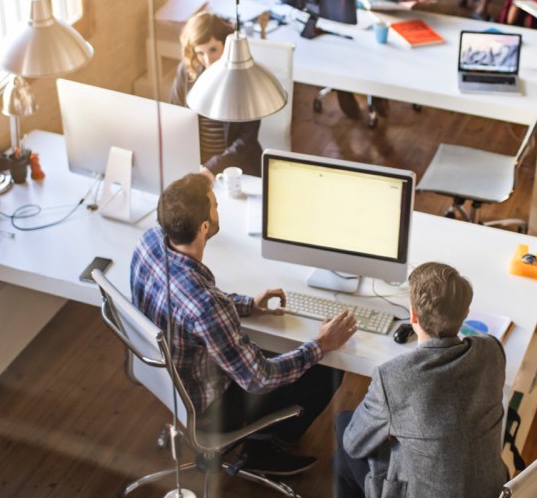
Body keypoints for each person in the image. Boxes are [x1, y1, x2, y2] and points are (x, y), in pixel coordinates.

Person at [130, 172, 358, 475]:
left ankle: (263, 441)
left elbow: (190, 303)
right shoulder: (206, 305)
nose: (217, 207)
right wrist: (321, 345)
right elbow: (259, 379)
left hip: (165, 380)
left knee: (273, 345)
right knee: (328, 369)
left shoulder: (149, 243)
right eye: (214, 204)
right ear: (204, 226)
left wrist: (248, 305)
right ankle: (263, 448)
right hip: (211, 408)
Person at [334, 261, 508, 498]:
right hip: (491, 490)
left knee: (344, 429)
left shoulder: (393, 377)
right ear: (466, 314)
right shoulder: (492, 351)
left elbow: (354, 445)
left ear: (413, 316)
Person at [171, 12, 262, 177]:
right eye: (200, 53)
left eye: (213, 50)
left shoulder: (244, 75)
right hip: (197, 165)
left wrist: (212, 168)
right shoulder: (186, 72)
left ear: (226, 45)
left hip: (237, 165)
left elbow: (247, 140)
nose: (207, 59)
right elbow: (174, 117)